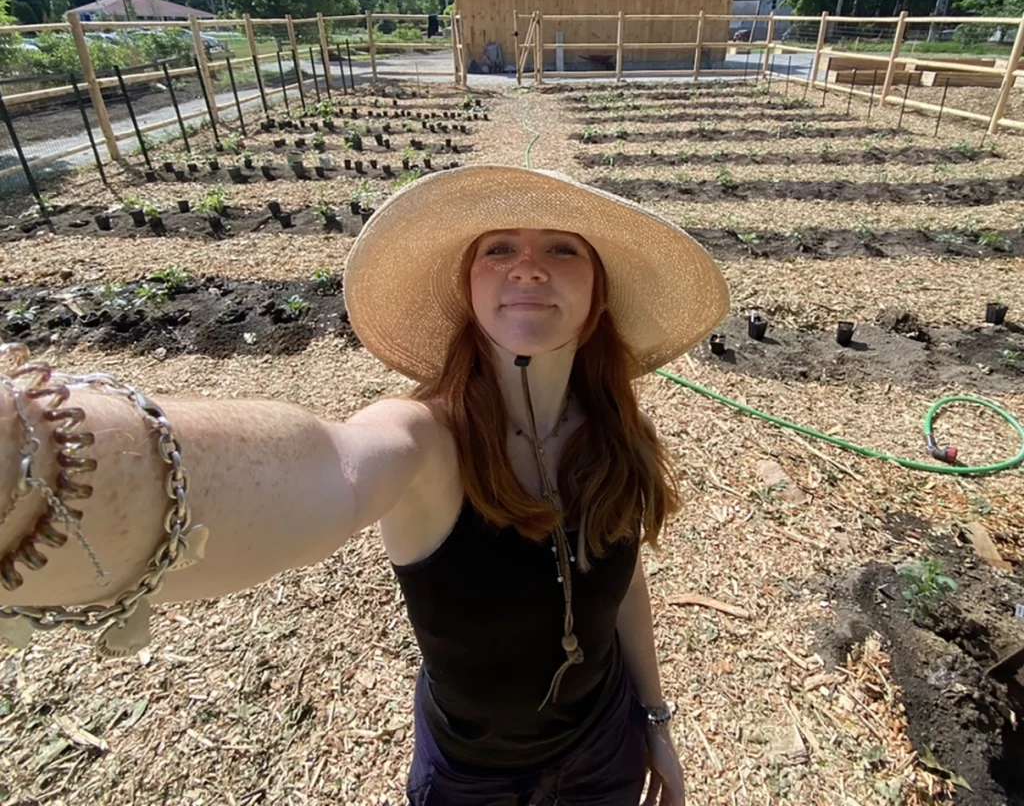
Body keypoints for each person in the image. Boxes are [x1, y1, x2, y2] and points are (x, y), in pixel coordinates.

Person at [1, 164, 730, 805]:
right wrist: (42, 459)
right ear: (469, 288)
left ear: (598, 295)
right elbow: (331, 469)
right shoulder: (424, 441)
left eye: (562, 249)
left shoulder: (614, 434)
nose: (528, 267)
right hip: (472, 779)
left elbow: (623, 578)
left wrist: (656, 721)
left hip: (606, 749)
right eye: (498, 249)